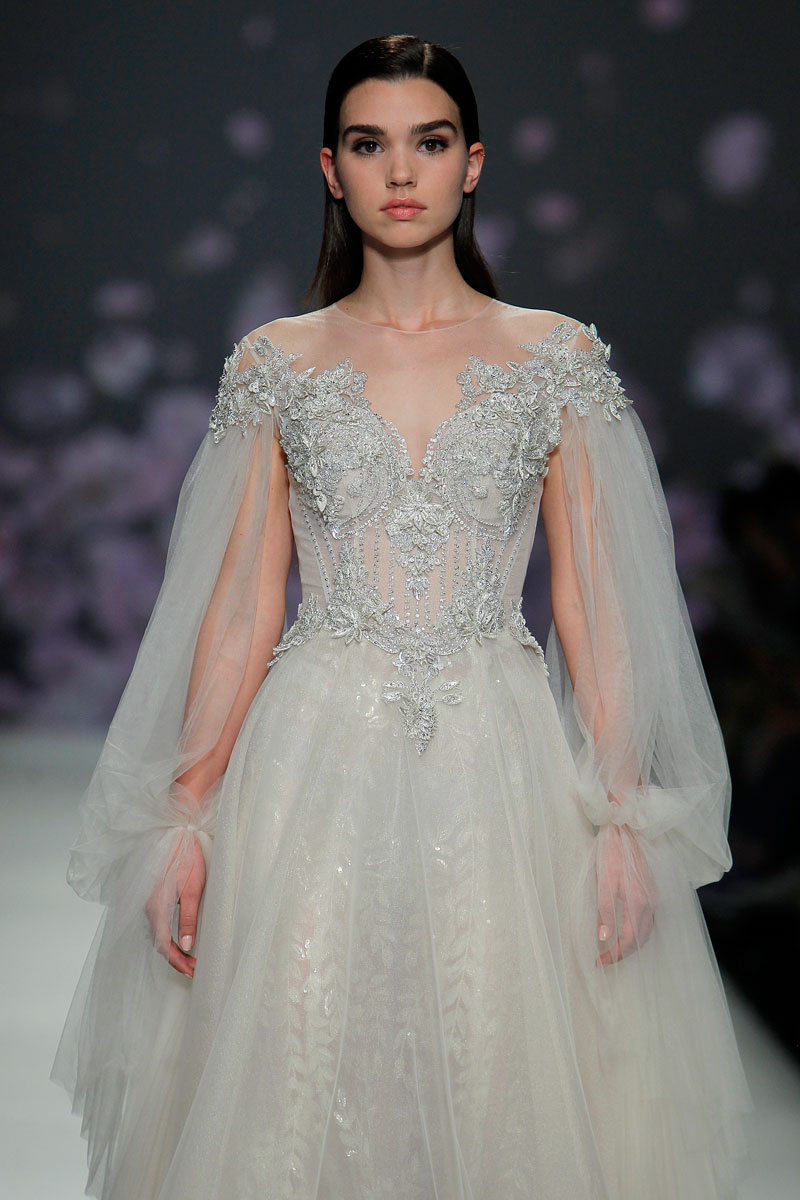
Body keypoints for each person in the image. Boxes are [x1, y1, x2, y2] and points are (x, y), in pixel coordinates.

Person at [51, 32, 753, 1200]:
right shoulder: (276, 364)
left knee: (495, 1064)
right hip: (308, 756)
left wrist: (624, 811)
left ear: (470, 162)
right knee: (299, 1061)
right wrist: (184, 813)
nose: (399, 172)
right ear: (331, 169)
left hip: (498, 760)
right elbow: (240, 605)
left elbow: (593, 602)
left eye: (427, 143)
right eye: (369, 145)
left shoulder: (552, 358)